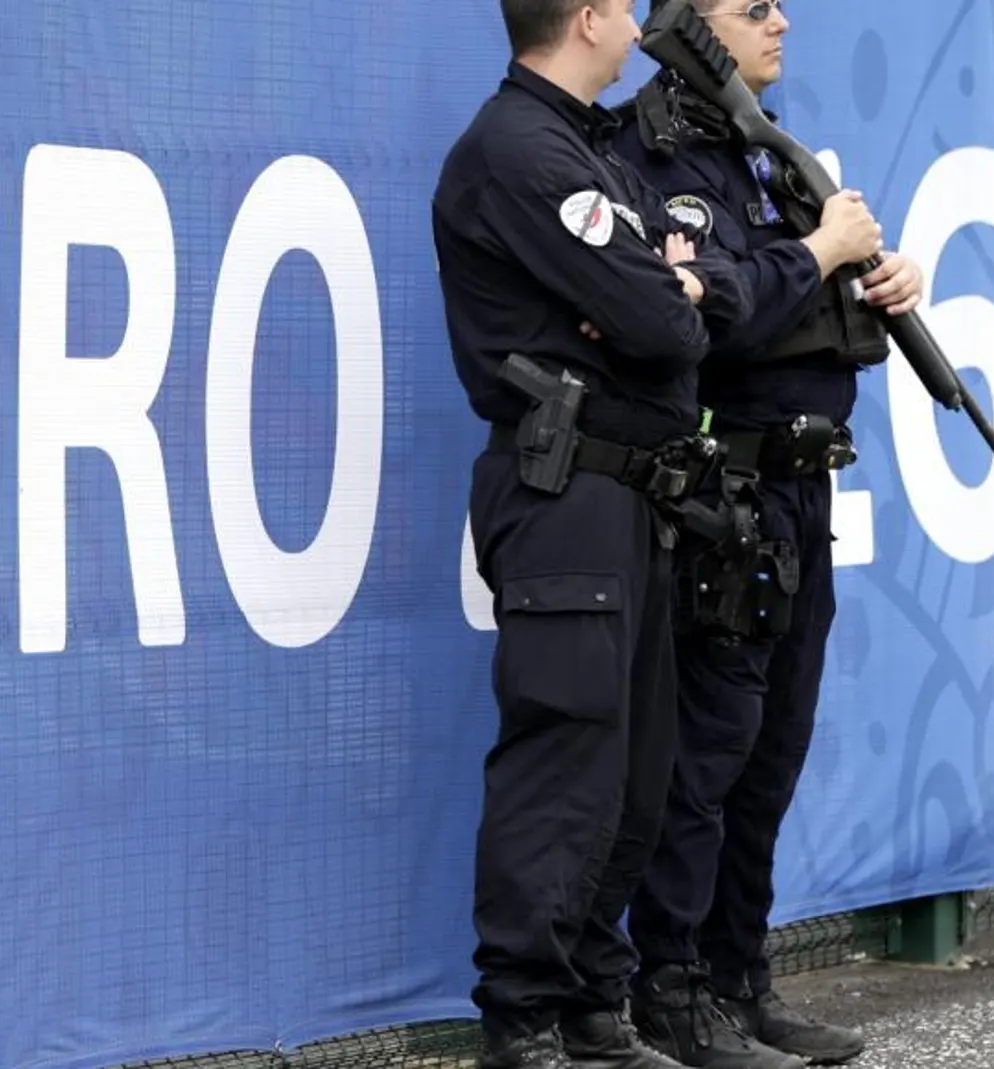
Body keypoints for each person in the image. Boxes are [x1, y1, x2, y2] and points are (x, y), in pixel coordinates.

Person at [430, 2, 761, 1067]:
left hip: (633, 496)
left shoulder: (579, 147)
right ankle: (521, 1019)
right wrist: (655, 296)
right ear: (584, 20)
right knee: (566, 754)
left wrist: (660, 290)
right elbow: (663, 323)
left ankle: (586, 1005)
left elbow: (664, 311)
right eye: (621, 6)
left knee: (635, 767)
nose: (635, 19)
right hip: (567, 495)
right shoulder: (523, 150)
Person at [604, 2, 924, 1067]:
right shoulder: (643, 155)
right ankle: (675, 987)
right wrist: (822, 253)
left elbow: (796, 299)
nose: (781, 21)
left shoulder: (763, 150)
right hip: (721, 500)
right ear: (692, 24)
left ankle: (740, 977)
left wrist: (877, 283)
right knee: (707, 755)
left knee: (772, 751)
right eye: (753, 7)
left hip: (802, 493)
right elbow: (701, 318)